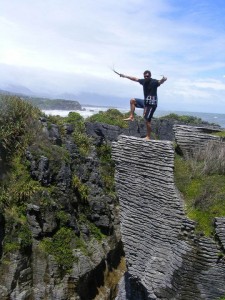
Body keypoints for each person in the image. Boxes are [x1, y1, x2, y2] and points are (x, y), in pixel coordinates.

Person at [120, 70, 167, 140]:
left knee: (147, 120)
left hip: (152, 104)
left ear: (150, 76)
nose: (146, 77)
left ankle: (148, 136)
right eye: (145, 76)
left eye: (147, 76)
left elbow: (160, 82)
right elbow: (135, 79)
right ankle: (131, 116)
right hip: (145, 102)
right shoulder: (143, 81)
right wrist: (125, 76)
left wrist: (164, 79)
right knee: (132, 100)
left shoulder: (154, 82)